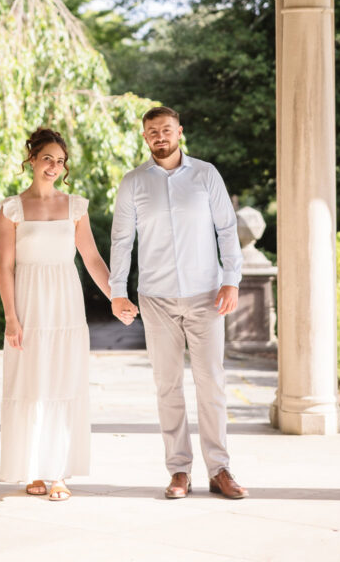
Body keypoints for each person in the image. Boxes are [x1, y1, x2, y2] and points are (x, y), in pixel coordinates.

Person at [110, 106, 248, 500]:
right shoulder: (133, 182)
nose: (160, 137)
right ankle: (179, 471)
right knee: (167, 386)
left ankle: (220, 470)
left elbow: (226, 228)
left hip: (206, 294)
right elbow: (122, 240)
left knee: (211, 383)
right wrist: (117, 290)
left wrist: (231, 280)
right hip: (155, 298)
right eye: (152, 131)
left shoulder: (206, 175)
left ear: (180, 132)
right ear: (144, 137)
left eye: (166, 130)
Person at [0, 127, 115, 501]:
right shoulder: (11, 209)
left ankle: (59, 473)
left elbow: (93, 259)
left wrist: (117, 297)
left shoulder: (75, 207)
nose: (54, 166)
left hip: (65, 305)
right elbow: (5, 268)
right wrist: (11, 318)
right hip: (28, 305)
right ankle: (32, 469)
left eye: (60, 161)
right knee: (31, 385)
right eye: (47, 158)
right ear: (32, 159)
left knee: (64, 385)